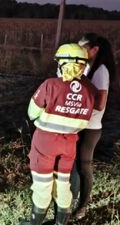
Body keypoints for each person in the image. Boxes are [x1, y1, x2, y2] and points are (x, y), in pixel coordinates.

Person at [22, 43, 97, 225]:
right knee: (63, 183)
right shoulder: (90, 90)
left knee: (42, 184)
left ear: (63, 64)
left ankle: (35, 223)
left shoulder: (50, 85)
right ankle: (61, 222)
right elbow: (85, 119)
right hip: (70, 143)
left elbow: (32, 113)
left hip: (45, 142)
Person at [70, 33, 117, 220]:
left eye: (83, 49)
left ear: (94, 49)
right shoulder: (90, 67)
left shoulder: (101, 71)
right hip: (81, 124)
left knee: (84, 166)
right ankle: (72, 199)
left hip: (90, 127)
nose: (79, 52)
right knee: (75, 163)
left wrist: (77, 102)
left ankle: (82, 207)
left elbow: (100, 103)